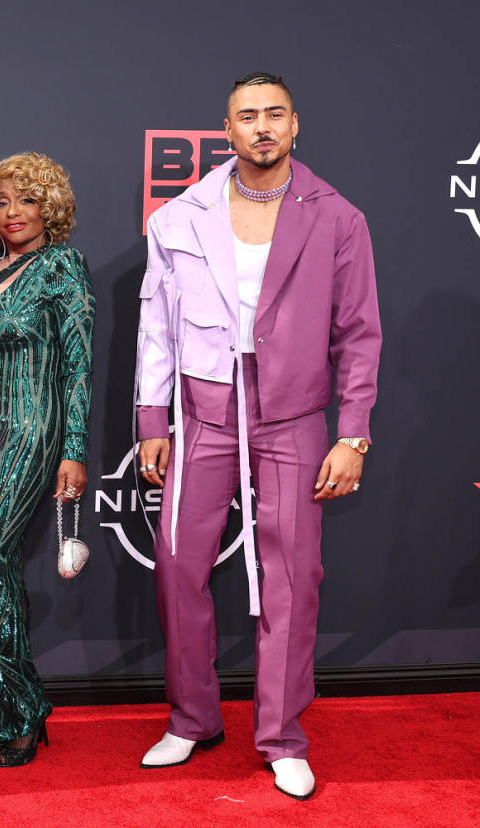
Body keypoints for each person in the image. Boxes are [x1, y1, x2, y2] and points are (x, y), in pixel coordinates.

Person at [134, 73, 381, 800]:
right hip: (205, 411)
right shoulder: (182, 214)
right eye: (249, 116)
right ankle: (192, 718)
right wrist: (153, 419)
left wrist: (354, 434)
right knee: (179, 569)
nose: (263, 127)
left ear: (295, 126)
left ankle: (281, 736)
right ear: (228, 129)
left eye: (275, 114)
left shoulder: (338, 217)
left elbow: (359, 336)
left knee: (293, 579)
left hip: (295, 416)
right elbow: (155, 323)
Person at [0, 152, 95, 767]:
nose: (13, 213)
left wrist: (73, 451)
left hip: (32, 431)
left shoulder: (62, 266)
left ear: (51, 210)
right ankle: (2, 711)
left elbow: (78, 365)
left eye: (28, 201)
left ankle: (20, 708)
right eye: (3, 202)